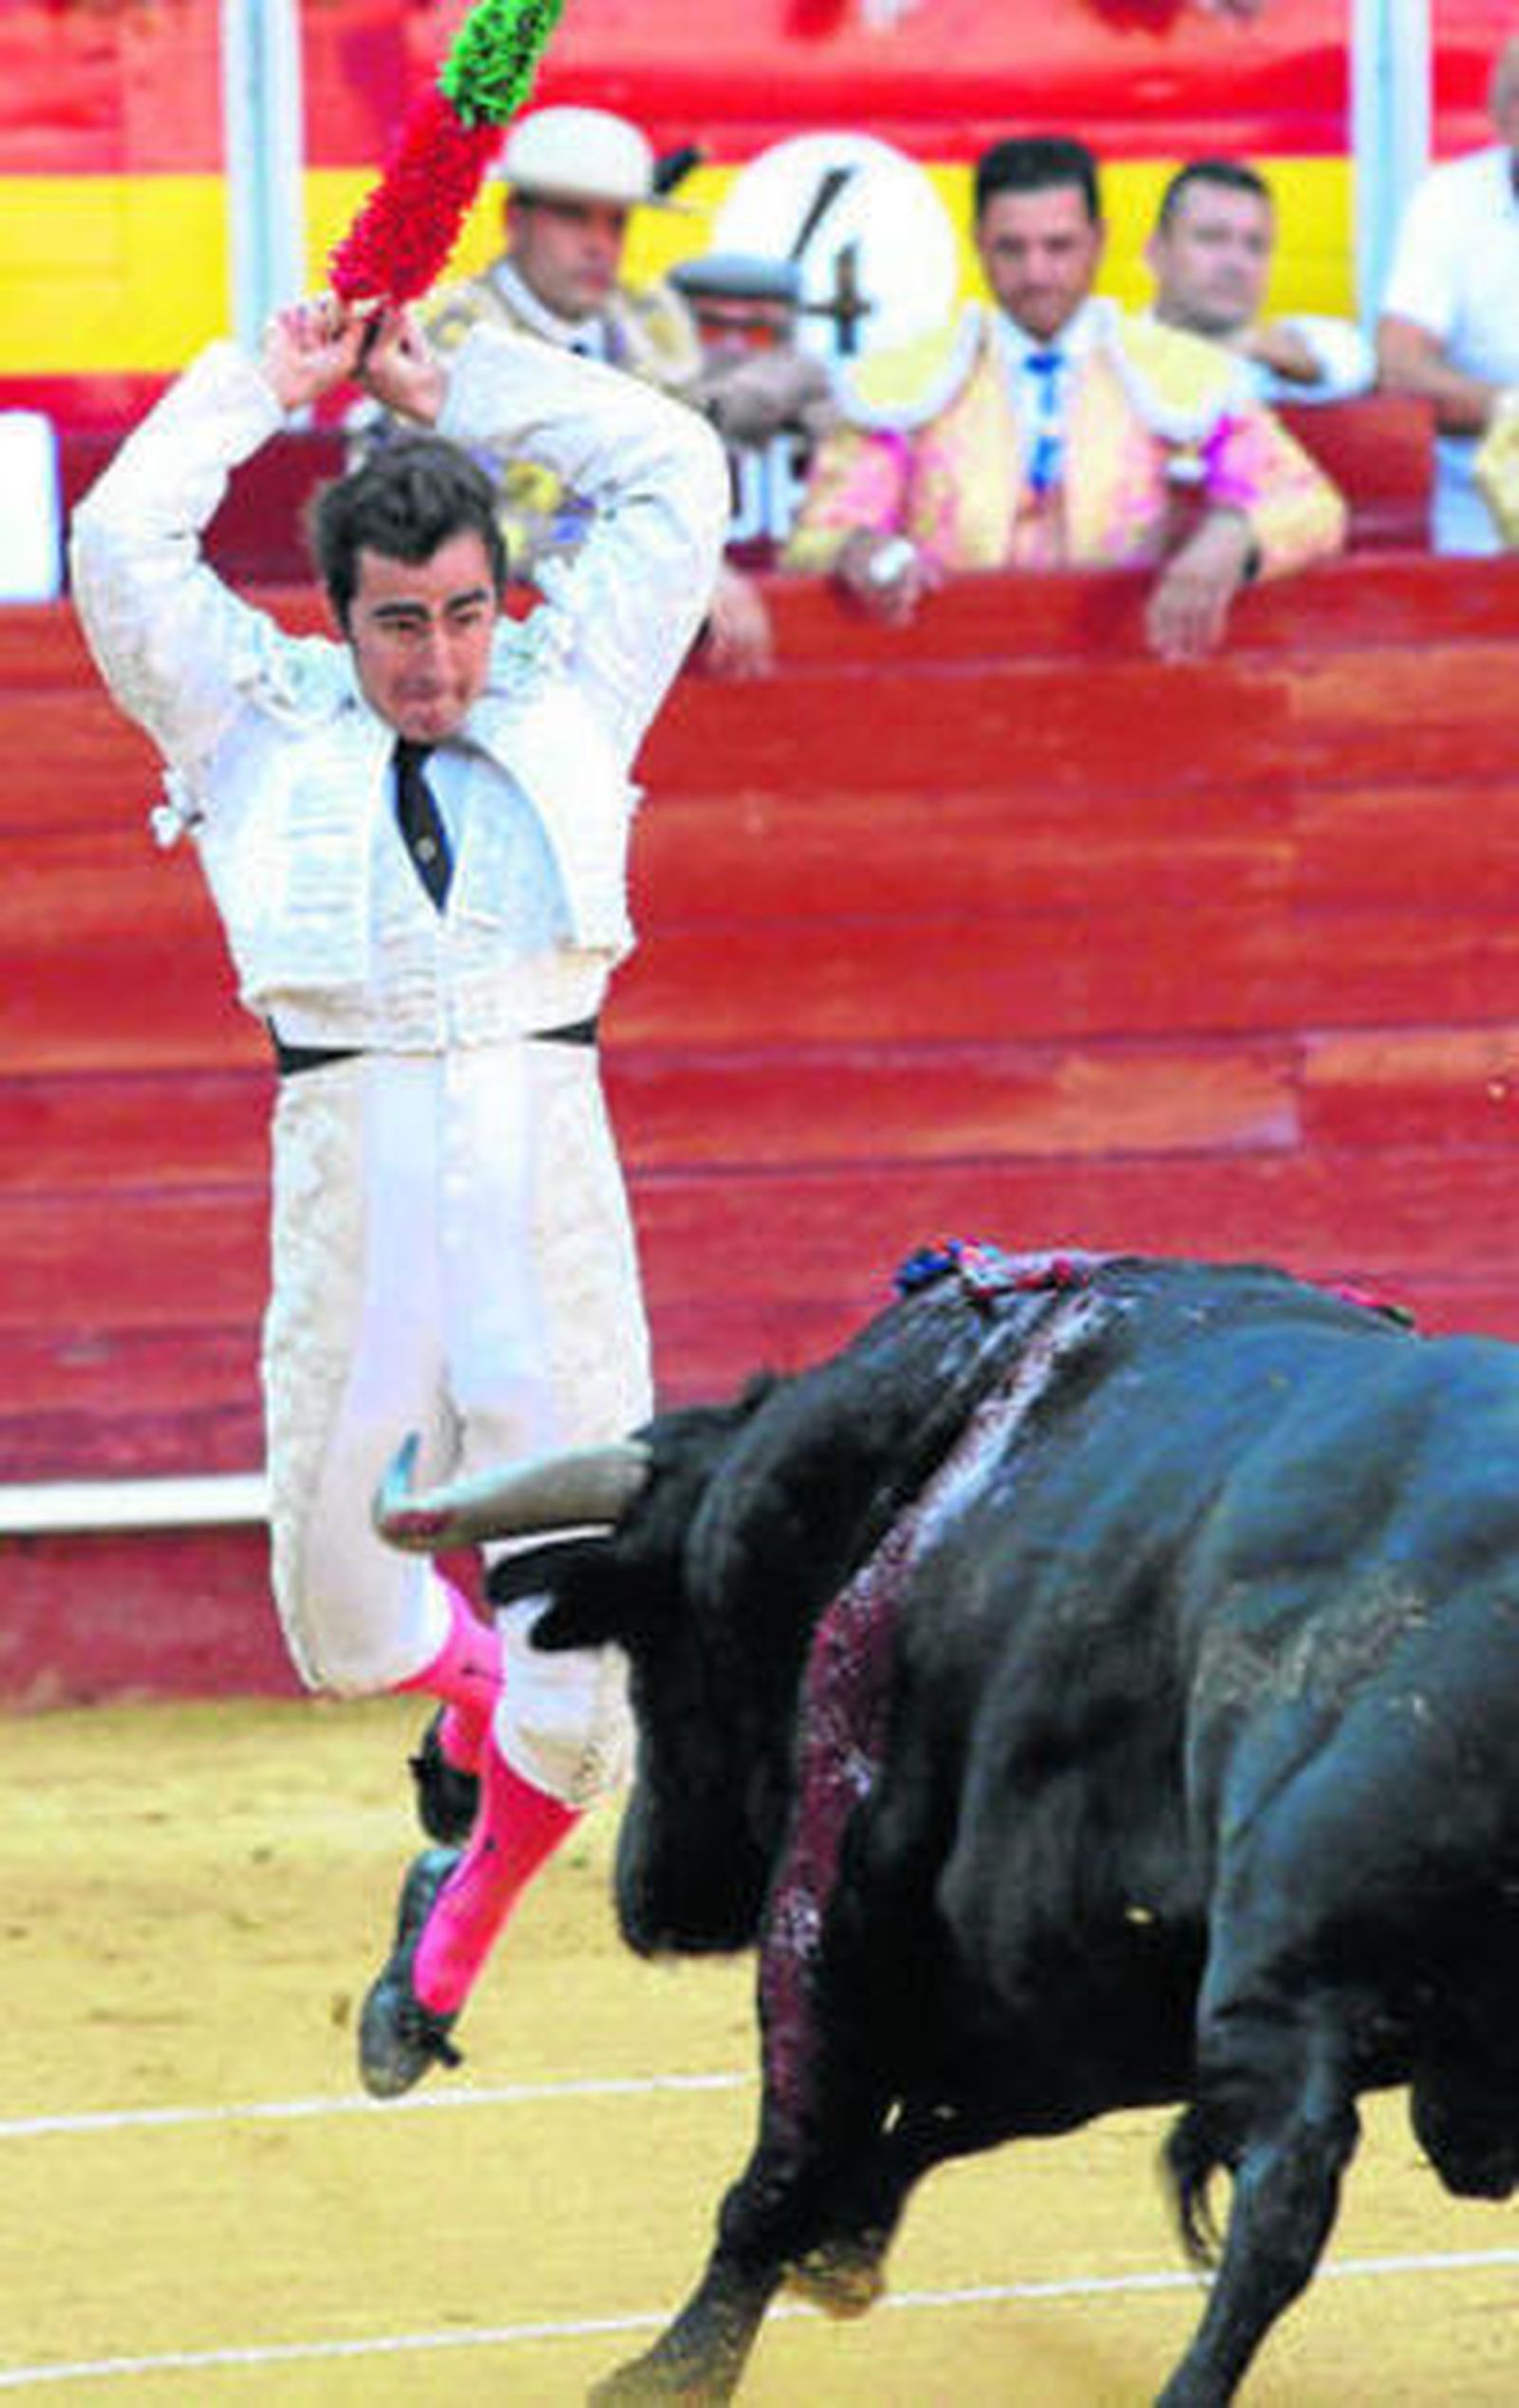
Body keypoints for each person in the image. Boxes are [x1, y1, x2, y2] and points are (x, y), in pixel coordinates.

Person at [69, 295, 728, 2097]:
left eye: (462, 615)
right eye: (396, 625)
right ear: (335, 617)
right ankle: (466, 1709)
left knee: (591, 1705)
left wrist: (473, 390)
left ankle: (445, 1946)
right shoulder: (251, 723)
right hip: (351, 1190)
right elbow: (120, 541)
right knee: (346, 1626)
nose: (436, 661)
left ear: (500, 601)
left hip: (546, 1195)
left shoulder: (570, 690)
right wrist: (257, 387)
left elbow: (678, 471)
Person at [784, 134, 1345, 663]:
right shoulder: (907, 380)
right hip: (953, 667)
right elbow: (817, 535)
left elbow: (1310, 506)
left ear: (1098, 241)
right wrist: (856, 550)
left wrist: (1234, 536)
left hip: (1132, 670)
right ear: (978, 242)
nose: (1037, 273)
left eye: (1059, 247)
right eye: (1011, 248)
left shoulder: (1180, 373)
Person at [364, 103, 703, 579]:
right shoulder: (441, 334)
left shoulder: (655, 323)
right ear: (514, 219)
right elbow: (426, 526)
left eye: (616, 223)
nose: (599, 245)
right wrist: (654, 558)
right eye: (573, 217)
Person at [668, 250, 841, 676]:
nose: (733, 347)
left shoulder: (834, 424)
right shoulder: (630, 409)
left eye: (758, 333)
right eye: (711, 328)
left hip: (809, 649)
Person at [1377, 36, 1519, 555]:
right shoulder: (1451, 200)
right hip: (1479, 494)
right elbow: (1399, 366)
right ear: (1504, 115)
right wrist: (1509, 409)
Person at [1146, 158, 1374, 405]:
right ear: (1157, 252)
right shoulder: (1119, 358)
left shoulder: (1276, 368)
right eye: (1212, 237)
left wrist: (1257, 347)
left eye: (1255, 246)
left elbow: (1353, 360)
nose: (1236, 263)